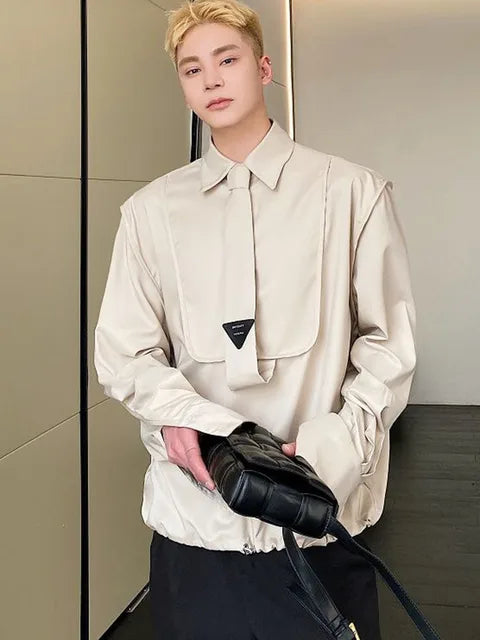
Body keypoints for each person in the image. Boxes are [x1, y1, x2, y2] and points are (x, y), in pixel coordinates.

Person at [93, 1, 417, 638]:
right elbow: (125, 354)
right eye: (192, 69)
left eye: (227, 59)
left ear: (264, 68)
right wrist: (191, 423)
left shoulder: (353, 193)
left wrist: (335, 448)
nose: (210, 80)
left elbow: (389, 346)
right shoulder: (149, 213)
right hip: (194, 522)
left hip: (320, 521)